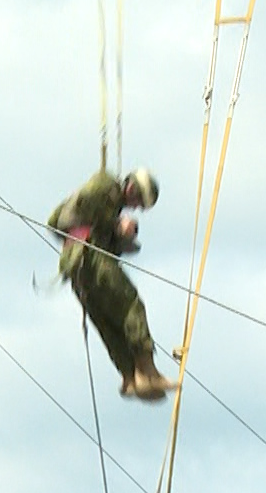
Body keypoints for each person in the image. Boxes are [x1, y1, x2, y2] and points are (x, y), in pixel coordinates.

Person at [49, 168, 173, 400]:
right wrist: (116, 225)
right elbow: (77, 211)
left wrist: (118, 236)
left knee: (108, 321)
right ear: (132, 187)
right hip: (91, 259)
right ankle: (147, 371)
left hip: (75, 266)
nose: (134, 207)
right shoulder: (105, 186)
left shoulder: (105, 199)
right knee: (130, 306)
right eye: (137, 201)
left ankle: (130, 376)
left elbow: (56, 221)